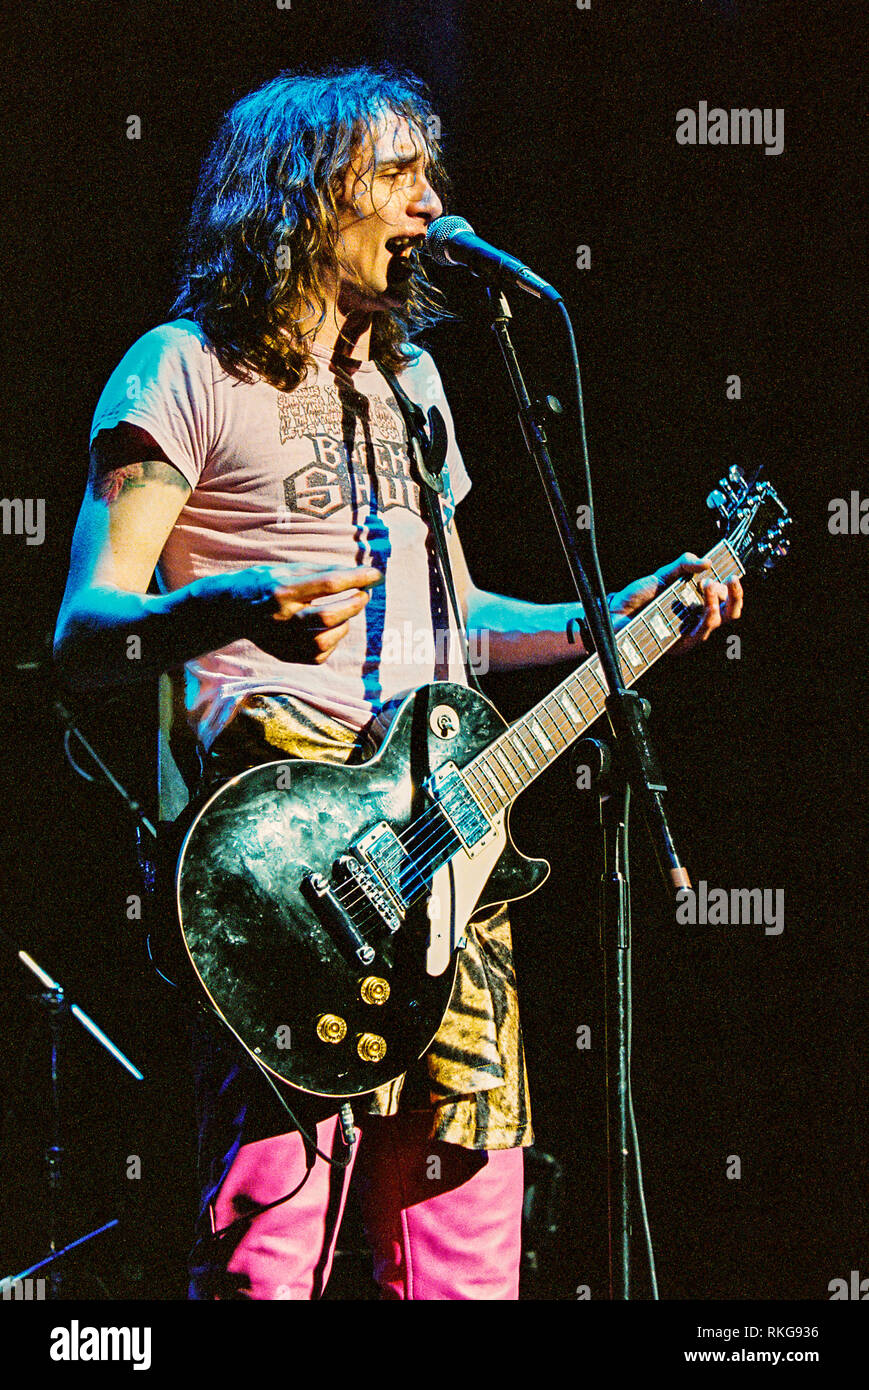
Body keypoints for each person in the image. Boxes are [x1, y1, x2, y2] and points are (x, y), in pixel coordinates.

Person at [54, 65, 743, 1301]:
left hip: (443, 858)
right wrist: (220, 606)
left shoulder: (411, 386)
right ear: (302, 190)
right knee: (271, 1255)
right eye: (395, 173)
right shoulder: (180, 370)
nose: (429, 201)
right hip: (287, 867)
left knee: (464, 1263)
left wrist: (615, 616)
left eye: (429, 173)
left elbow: (460, 626)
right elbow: (85, 628)